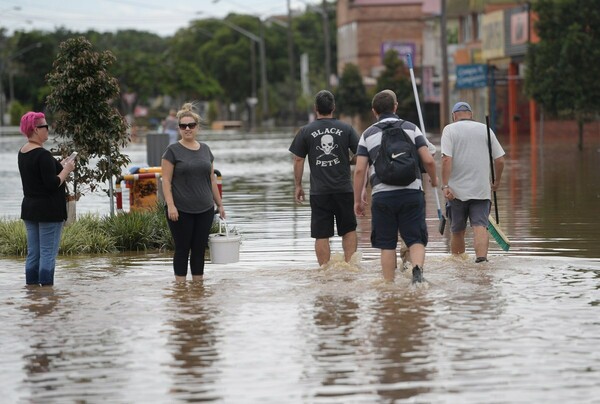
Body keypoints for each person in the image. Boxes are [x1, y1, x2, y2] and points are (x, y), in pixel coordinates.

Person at [353, 90, 438, 284]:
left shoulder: (367, 134)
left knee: (388, 245)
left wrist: (358, 199)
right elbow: (429, 161)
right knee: (416, 239)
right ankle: (417, 272)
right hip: (411, 193)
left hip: (383, 196)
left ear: (374, 111)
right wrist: (434, 180)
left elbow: (359, 171)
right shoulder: (411, 128)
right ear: (395, 107)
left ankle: (389, 285)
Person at [289, 90, 360, 266]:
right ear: (333, 107)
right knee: (349, 230)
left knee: (321, 234)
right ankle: (351, 267)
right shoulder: (346, 129)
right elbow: (362, 154)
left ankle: (324, 271)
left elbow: (298, 159)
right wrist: (349, 161)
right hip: (344, 189)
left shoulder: (305, 131)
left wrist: (298, 186)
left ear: (316, 109)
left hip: (319, 192)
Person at [161, 103, 225, 282]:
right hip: (181, 210)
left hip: (205, 209)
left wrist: (219, 204)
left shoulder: (205, 149)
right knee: (182, 249)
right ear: (179, 128)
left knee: (199, 250)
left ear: (197, 127)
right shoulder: (172, 151)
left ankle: (198, 289)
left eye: (191, 125)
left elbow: (211, 179)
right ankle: (180, 290)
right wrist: (171, 205)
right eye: (183, 126)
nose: (187, 129)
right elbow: (165, 180)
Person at [441, 101, 505, 263]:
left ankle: (458, 264)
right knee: (480, 227)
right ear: (471, 115)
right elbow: (500, 160)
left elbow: (446, 159)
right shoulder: (486, 129)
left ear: (454, 116)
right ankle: (482, 262)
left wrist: (445, 185)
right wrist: (496, 181)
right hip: (481, 190)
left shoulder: (449, 130)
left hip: (455, 192)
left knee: (457, 231)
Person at [18, 111, 76, 286]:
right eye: (45, 126)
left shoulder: (23, 152)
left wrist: (61, 164)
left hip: (30, 209)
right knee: (48, 254)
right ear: (36, 129)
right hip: (48, 211)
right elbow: (51, 184)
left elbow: (41, 176)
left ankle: (33, 293)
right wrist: (66, 171)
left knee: (33, 253)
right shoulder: (42, 154)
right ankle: (46, 296)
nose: (48, 129)